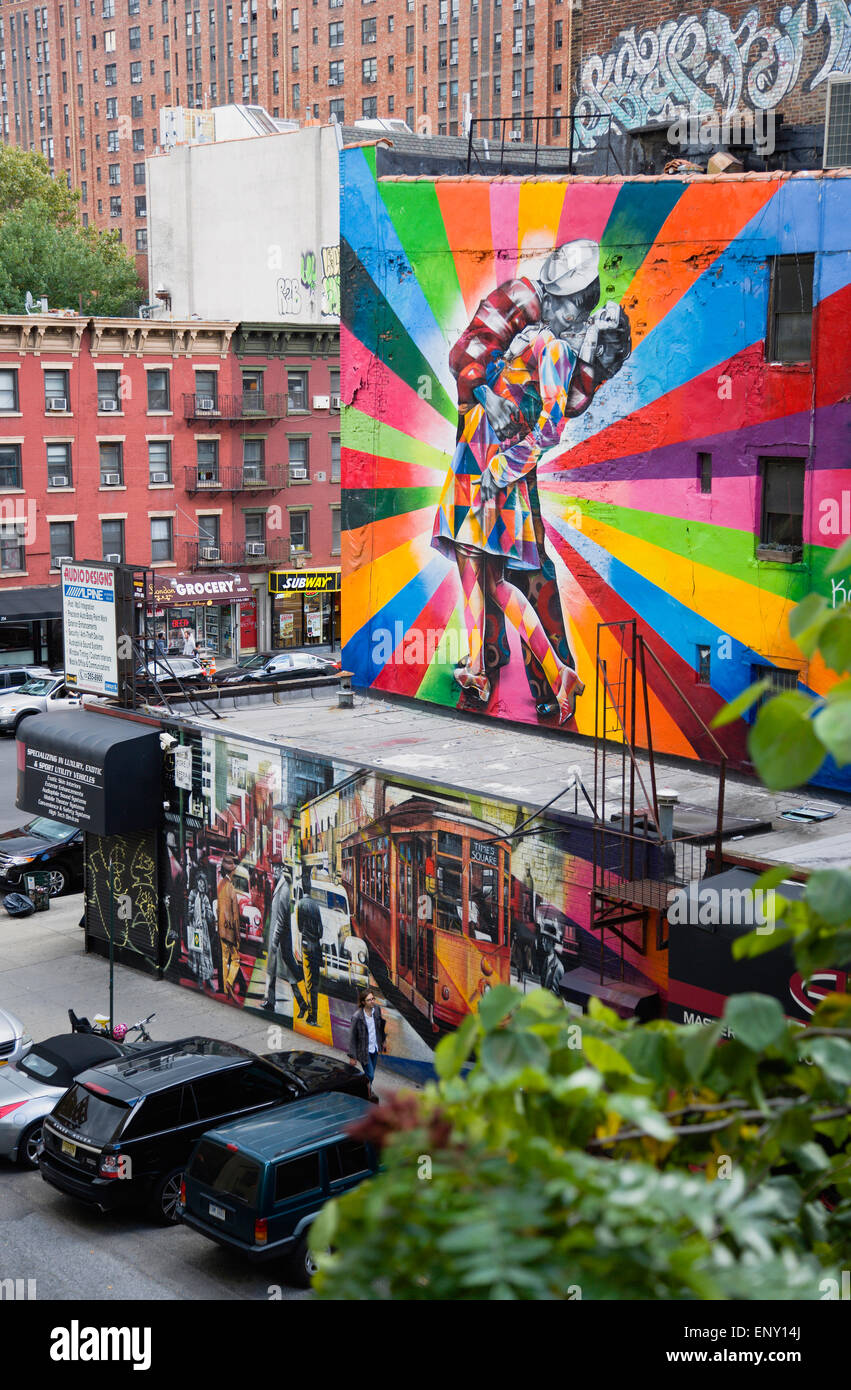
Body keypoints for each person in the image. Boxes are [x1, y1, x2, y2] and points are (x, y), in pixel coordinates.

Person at [438, 238, 631, 719]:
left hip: (494, 463)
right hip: (483, 452)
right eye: (569, 306)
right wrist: (488, 396)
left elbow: (558, 416)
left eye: (580, 310)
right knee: (494, 573)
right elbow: (464, 356)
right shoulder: (523, 302)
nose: (574, 318)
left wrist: (598, 366)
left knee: (488, 568)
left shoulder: (557, 345)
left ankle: (507, 670)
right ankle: (519, 669)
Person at [263, 866, 309, 1018]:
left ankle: (301, 1003)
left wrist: (275, 942)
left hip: (281, 941)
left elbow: (281, 920)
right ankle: (271, 1001)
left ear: (282, 870)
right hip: (280, 940)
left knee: (288, 975)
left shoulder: (284, 890)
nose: (274, 871)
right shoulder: (280, 885)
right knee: (274, 971)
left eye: (276, 868)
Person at [347, 988, 387, 1101]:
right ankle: (368, 1092)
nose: (372, 1001)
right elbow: (352, 1037)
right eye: (369, 1000)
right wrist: (352, 1056)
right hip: (363, 1050)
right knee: (370, 1074)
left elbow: (380, 1027)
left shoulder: (377, 1010)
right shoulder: (357, 1017)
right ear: (363, 1002)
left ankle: (367, 1088)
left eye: (373, 999)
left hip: (374, 1047)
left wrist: (383, 1040)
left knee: (370, 1074)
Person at [216, 854, 243, 1002]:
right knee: (236, 959)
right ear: (230, 871)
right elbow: (235, 914)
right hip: (230, 930)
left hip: (221, 928)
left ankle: (227, 990)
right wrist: (237, 934)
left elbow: (218, 909)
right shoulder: (231, 888)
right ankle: (230, 981)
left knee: (224, 958)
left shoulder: (220, 885)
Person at [297, 887, 324, 1027]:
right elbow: (321, 931)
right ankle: (314, 1015)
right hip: (316, 948)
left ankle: (311, 1016)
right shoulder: (316, 906)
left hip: (306, 945)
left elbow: (299, 927)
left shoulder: (300, 904)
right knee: (315, 982)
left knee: (308, 982)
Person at [186, 868, 217, 991]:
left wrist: (211, 914)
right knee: (198, 952)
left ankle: (208, 978)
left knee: (206, 952)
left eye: (203, 883)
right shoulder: (193, 894)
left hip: (203, 928)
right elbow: (188, 911)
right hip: (195, 927)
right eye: (199, 882)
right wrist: (194, 911)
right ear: (196, 882)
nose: (201, 884)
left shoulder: (205, 897)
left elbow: (209, 913)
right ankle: (199, 979)